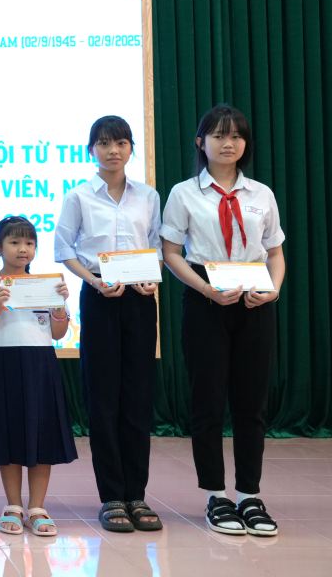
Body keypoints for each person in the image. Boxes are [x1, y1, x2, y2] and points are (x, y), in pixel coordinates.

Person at [161, 104, 285, 537]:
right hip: (206, 301)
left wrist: (274, 289)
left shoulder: (261, 194)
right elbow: (171, 252)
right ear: (201, 142)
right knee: (208, 401)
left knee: (252, 404)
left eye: (235, 136)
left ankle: (249, 494)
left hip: (255, 301)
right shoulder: (183, 193)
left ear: (245, 143)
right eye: (218, 135)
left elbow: (275, 252)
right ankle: (216, 495)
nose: (227, 143)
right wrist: (206, 289)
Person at [54, 115, 163, 533]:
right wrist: (93, 280)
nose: (113, 150)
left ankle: (137, 494)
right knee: (103, 398)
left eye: (120, 142)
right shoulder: (79, 196)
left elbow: (157, 246)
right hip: (100, 297)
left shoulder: (148, 196)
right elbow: (64, 248)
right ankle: (112, 496)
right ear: (91, 150)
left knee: (138, 396)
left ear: (131, 147)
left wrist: (151, 277)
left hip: (140, 300)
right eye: (104, 143)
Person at [0, 216, 75, 537]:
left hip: (40, 362)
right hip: (3, 362)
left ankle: (38, 508)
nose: (23, 249)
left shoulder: (46, 283)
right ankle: (13, 505)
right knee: (9, 433)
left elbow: (58, 332)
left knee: (42, 435)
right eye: (14, 242)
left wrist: (60, 306)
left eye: (29, 243)